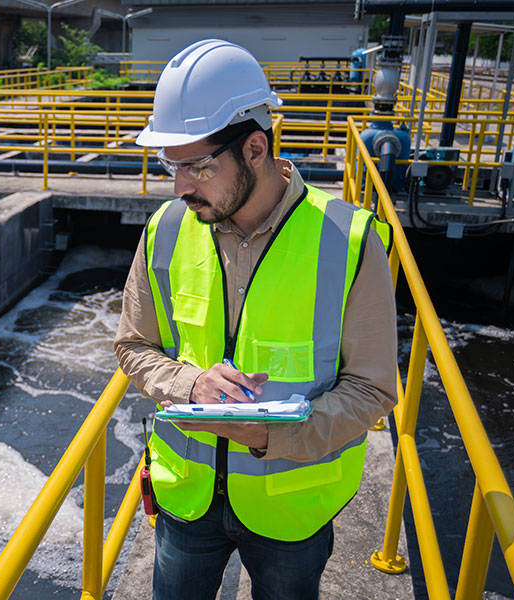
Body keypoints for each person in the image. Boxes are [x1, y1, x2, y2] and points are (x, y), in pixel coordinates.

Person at [114, 39, 399, 600]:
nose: (179, 187)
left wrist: (270, 433)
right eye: (169, 166)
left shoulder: (348, 239)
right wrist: (189, 381)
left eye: (196, 166)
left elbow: (372, 389)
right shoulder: (166, 230)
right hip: (185, 501)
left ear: (254, 148)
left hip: (292, 511)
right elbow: (133, 346)